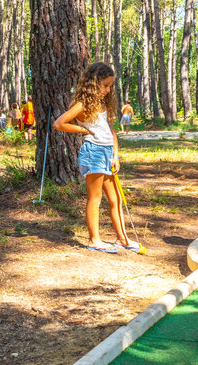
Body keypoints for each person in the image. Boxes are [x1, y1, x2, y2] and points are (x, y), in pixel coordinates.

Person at [53, 62, 140, 253]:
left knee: (115, 198)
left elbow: (112, 132)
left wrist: (116, 156)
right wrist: (81, 129)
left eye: (110, 86)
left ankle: (122, 238)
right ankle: (94, 240)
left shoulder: (102, 105)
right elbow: (59, 123)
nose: (108, 90)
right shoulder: (82, 105)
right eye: (105, 85)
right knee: (95, 198)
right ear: (93, 84)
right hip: (93, 152)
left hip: (108, 153)